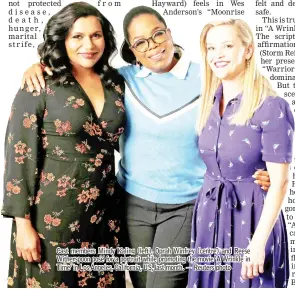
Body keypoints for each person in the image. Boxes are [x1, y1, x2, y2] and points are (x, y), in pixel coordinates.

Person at [20, 6, 271, 288]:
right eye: (140, 42)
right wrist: (40, 65)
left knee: (161, 283)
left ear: (170, 33)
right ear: (132, 50)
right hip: (131, 204)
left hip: (186, 203)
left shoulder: (209, 77)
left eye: (158, 35)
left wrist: (262, 167)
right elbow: (80, 72)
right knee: (140, 283)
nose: (152, 46)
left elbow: (255, 109)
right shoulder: (121, 80)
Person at [1, 2, 126, 288]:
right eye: (77, 36)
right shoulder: (39, 84)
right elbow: (19, 156)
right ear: (62, 40)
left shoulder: (115, 81)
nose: (89, 44)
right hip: (53, 219)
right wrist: (23, 225)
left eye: (96, 35)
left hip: (106, 216)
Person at [187, 19, 293, 288]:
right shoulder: (208, 104)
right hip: (209, 214)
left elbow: (280, 181)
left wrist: (258, 243)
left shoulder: (272, 106)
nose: (217, 55)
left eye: (227, 45)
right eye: (211, 48)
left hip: (253, 217)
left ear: (247, 50)